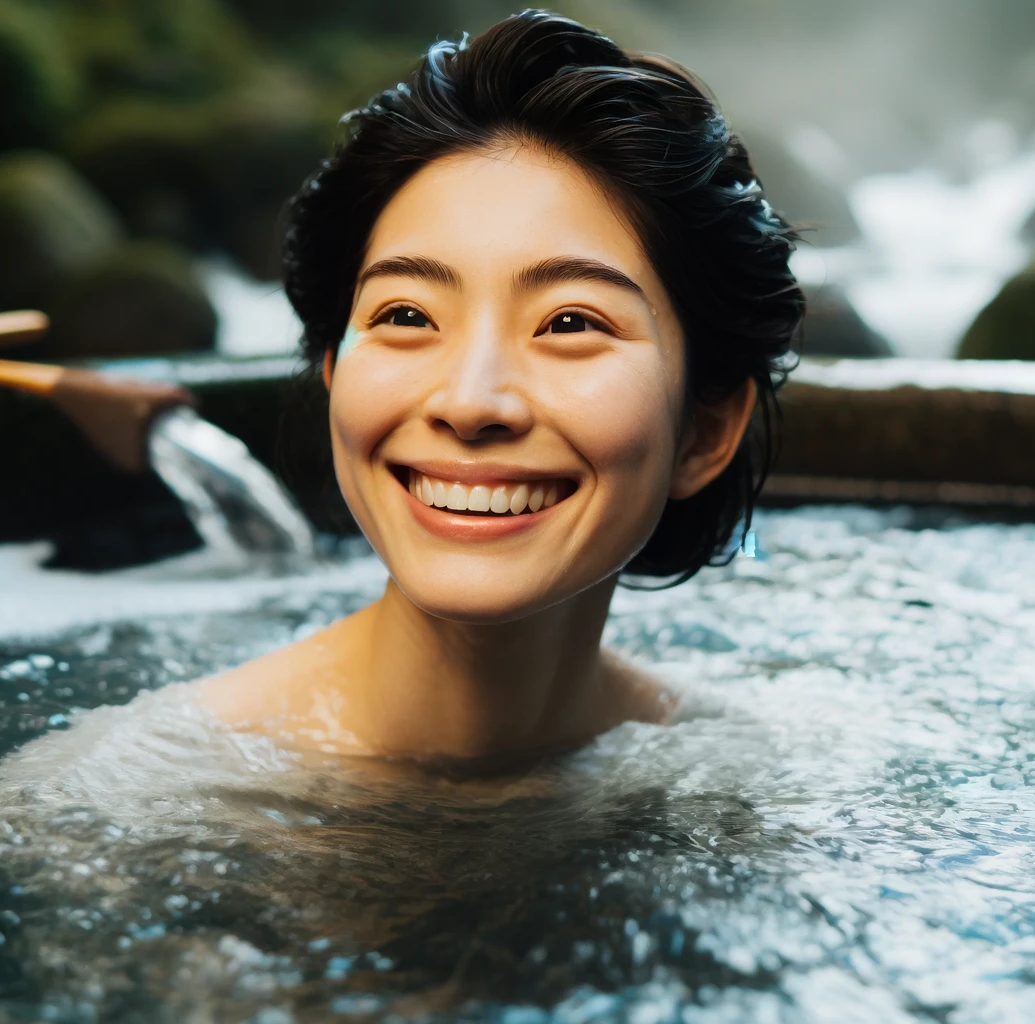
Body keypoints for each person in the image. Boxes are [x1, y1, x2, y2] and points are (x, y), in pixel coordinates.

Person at [190, 9, 804, 765]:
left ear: (704, 430)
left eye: (570, 323)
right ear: (334, 374)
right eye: (407, 314)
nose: (471, 402)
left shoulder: (740, 784)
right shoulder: (131, 807)